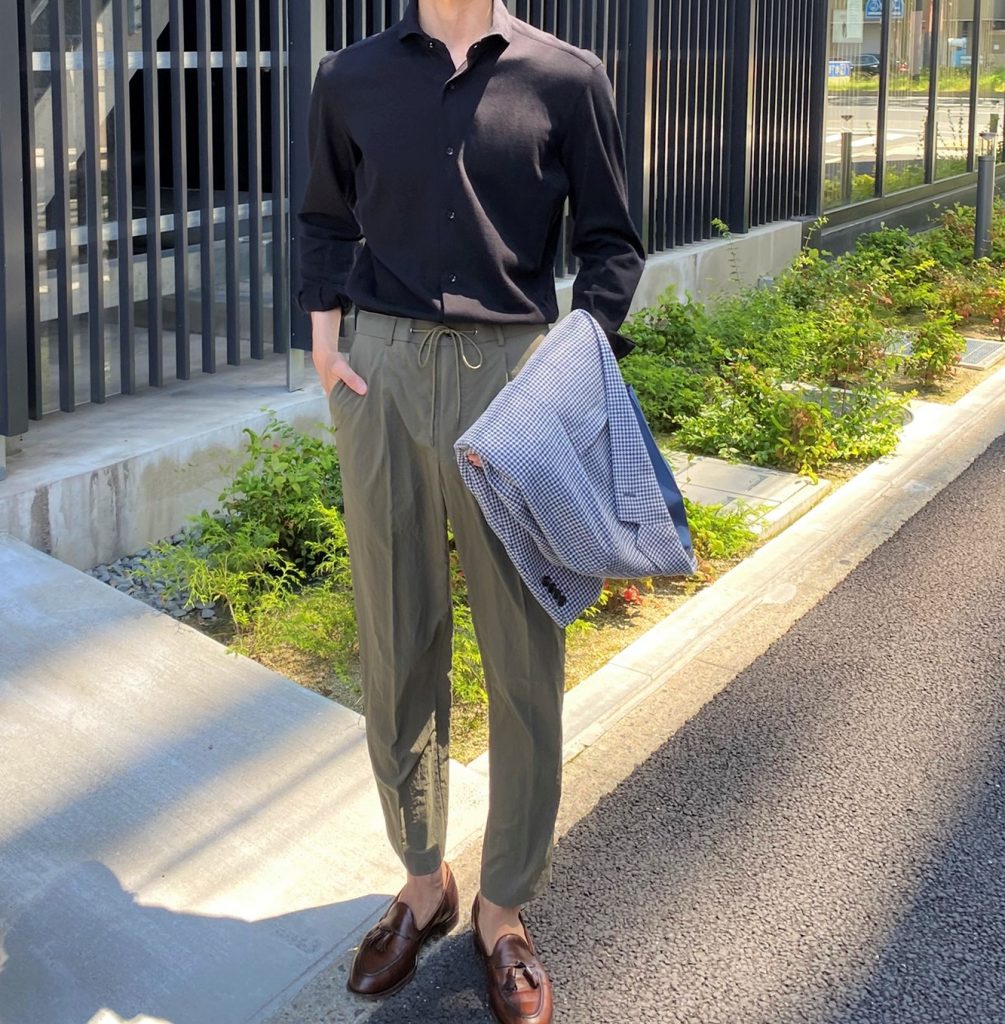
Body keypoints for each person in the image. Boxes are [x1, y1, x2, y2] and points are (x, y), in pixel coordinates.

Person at [297, 1, 644, 1019]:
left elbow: (611, 243)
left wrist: (572, 369)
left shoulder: (565, 77)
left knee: (522, 649)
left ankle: (504, 905)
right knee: (397, 632)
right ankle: (422, 880)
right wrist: (326, 342)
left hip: (512, 379)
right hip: (382, 372)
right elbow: (323, 216)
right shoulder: (349, 76)